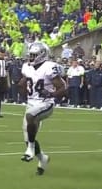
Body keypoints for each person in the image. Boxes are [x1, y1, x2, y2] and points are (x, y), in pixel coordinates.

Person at [18, 41, 67, 175]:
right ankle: (42, 158)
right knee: (27, 139)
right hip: (31, 103)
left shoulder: (49, 67)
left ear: (41, 55)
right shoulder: (27, 67)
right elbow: (25, 82)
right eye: (30, 55)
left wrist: (52, 94)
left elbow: (63, 88)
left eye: (33, 55)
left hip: (46, 103)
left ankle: (31, 149)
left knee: (30, 117)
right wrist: (21, 86)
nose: (30, 58)